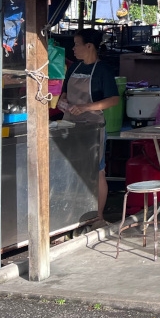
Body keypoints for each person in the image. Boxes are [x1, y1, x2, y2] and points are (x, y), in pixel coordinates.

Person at [58, 29, 119, 225]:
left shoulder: (103, 71)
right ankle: (73, 215)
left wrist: (86, 107)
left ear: (89, 46)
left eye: (76, 44)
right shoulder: (74, 67)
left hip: (93, 127)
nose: (73, 49)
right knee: (72, 169)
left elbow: (113, 99)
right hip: (70, 125)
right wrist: (63, 102)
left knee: (97, 171)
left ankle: (98, 216)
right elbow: (64, 94)